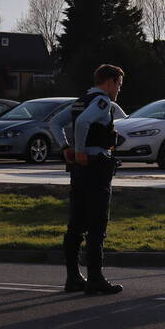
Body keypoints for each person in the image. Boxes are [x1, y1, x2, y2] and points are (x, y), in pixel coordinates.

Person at [49, 64, 126, 295]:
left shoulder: (81, 100)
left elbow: (54, 122)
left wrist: (66, 148)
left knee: (76, 225)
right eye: (119, 84)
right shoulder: (102, 103)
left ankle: (73, 278)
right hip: (96, 168)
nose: (119, 90)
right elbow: (83, 123)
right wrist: (80, 150)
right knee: (97, 225)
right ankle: (95, 279)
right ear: (110, 82)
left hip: (79, 172)